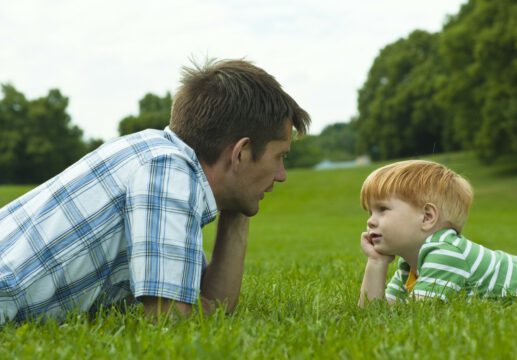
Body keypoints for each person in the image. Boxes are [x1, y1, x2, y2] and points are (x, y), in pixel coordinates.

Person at [0, 59, 310, 323]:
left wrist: (239, 210)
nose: (281, 175)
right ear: (241, 153)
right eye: (279, 156)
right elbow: (169, 318)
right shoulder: (167, 171)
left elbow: (213, 304)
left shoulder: (161, 157)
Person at [358, 160, 517, 305]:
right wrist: (377, 262)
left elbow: (414, 319)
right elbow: (377, 315)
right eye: (370, 211)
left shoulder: (446, 253)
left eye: (382, 209)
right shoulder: (410, 265)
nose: (370, 221)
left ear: (427, 217)